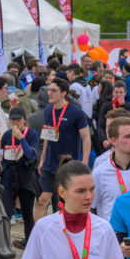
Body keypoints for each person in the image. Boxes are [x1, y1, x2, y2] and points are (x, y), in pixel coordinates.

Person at [36, 77, 91, 221]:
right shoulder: (48, 111)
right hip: (49, 163)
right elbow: (47, 136)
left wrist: (84, 161)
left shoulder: (76, 112)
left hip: (68, 165)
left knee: (63, 204)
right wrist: (42, 160)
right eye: (49, 90)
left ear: (63, 93)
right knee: (42, 199)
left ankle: (63, 233)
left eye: (54, 90)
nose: (49, 93)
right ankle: (38, 236)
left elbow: (86, 137)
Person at [0, 107, 40, 247]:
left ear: (24, 120)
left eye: (19, 119)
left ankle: (30, 243)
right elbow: (3, 156)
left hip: (26, 175)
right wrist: (0, 163)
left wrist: (21, 139)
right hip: (9, 176)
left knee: (27, 213)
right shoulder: (6, 135)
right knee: (6, 213)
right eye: (13, 119)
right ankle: (3, 245)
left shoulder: (32, 134)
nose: (16, 122)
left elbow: (31, 155)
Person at [92, 115, 130, 225]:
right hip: (112, 237)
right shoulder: (99, 173)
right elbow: (91, 208)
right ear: (113, 141)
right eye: (128, 136)